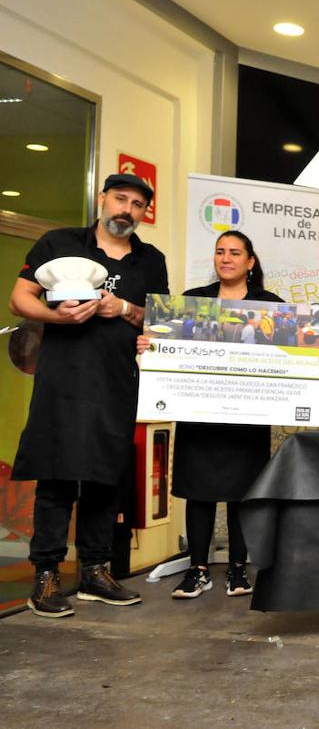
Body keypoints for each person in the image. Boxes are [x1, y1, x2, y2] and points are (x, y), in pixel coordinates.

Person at [10, 173, 169, 617]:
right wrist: (58, 317)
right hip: (62, 380)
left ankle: (95, 572)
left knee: (105, 477)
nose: (126, 210)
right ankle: (46, 575)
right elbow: (19, 299)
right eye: (120, 199)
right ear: (102, 199)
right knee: (56, 475)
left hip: (117, 381)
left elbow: (160, 321)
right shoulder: (59, 242)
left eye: (137, 204)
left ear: (144, 213)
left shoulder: (151, 260)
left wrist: (125, 309)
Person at [138, 231, 285, 599]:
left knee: (242, 494)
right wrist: (151, 344)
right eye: (220, 252)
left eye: (235, 252)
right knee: (198, 491)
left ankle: (238, 568)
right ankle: (197, 570)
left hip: (247, 418)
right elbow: (166, 348)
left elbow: (291, 355)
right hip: (198, 415)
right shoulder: (192, 301)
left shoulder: (270, 306)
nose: (226, 258)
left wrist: (315, 360)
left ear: (250, 262)